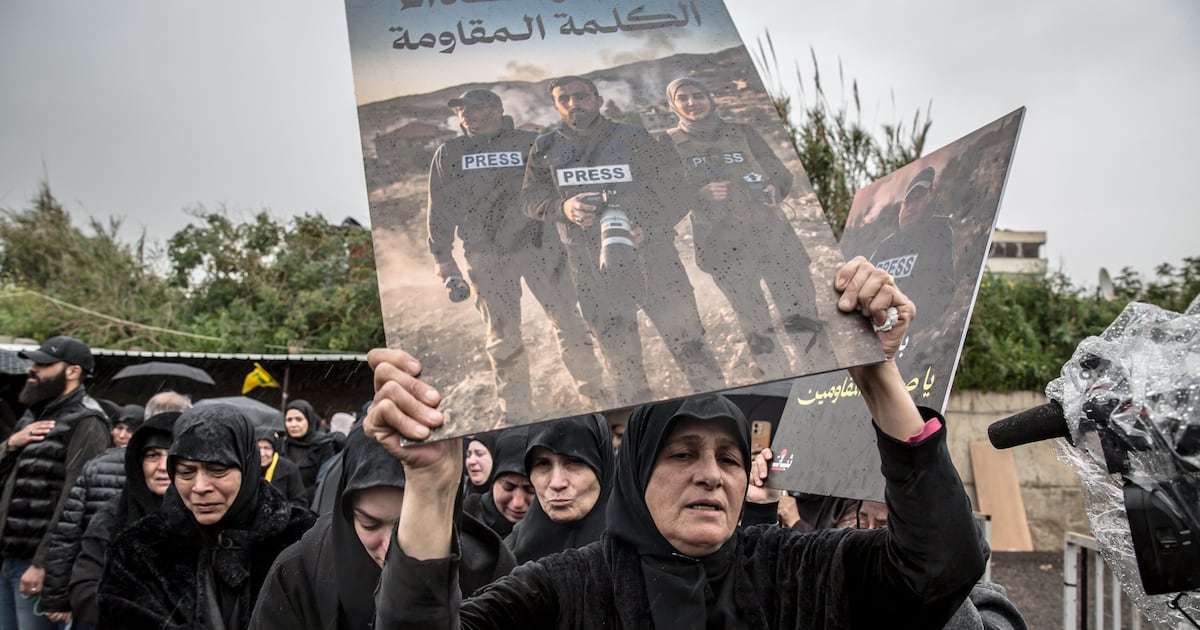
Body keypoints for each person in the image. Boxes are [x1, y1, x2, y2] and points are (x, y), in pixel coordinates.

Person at [364, 256, 987, 628]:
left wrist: (874, 372)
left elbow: (940, 567)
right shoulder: (560, 592)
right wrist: (430, 482)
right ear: (632, 473)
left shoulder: (794, 572)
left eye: (730, 457)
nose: (712, 475)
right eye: (682, 453)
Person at [520, 75, 727, 402]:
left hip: (653, 259)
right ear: (557, 106)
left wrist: (648, 226)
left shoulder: (634, 137)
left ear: (598, 100)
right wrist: (563, 206)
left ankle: (719, 409)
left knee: (690, 345)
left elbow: (676, 190)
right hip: (590, 268)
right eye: (565, 99)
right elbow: (530, 198)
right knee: (622, 363)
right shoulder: (546, 147)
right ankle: (642, 429)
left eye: (581, 96)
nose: (574, 103)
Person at [428, 88, 609, 417]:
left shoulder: (530, 142)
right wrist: (442, 257)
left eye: (475, 108)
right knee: (502, 334)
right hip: (485, 254)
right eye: (461, 110)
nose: (466, 115)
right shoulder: (450, 152)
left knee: (568, 321)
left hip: (542, 246)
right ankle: (516, 413)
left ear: (496, 110)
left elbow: (559, 189)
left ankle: (594, 398)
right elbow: (439, 208)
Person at [249, 426, 514, 629]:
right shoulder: (299, 573)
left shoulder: (492, 572)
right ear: (346, 512)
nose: (390, 547)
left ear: (449, 506)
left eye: (409, 524)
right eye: (369, 523)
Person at [96, 405, 316, 630]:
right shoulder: (138, 549)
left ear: (248, 467)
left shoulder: (304, 540)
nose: (200, 487)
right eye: (186, 472)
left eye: (218, 470)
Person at [663, 77, 829, 374]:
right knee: (755, 323)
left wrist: (774, 190)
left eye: (698, 95)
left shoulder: (743, 133)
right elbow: (666, 194)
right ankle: (779, 380)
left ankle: (823, 376)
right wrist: (698, 196)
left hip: (773, 238)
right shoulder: (668, 144)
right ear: (673, 104)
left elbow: (780, 173)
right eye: (683, 98)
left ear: (711, 98)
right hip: (723, 247)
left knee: (801, 314)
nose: (692, 102)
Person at [1, 336, 110, 630]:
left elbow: (77, 501)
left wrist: (43, 564)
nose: (33, 369)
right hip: (8, 558)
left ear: (72, 371)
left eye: (43, 363)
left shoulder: (87, 422)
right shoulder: (31, 419)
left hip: (38, 568)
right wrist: (10, 445)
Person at [65, 411, 182, 630]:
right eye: (153, 455)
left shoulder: (203, 515)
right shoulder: (112, 515)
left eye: (171, 455)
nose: (161, 467)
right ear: (138, 462)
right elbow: (85, 587)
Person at [503, 414, 613, 564]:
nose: (556, 483)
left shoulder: (636, 551)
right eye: (543, 463)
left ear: (602, 467)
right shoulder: (510, 551)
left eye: (573, 461)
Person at [463, 428, 533, 538]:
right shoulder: (469, 514)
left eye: (530, 490)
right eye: (508, 487)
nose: (517, 503)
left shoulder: (558, 527)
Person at [278, 399, 342, 502]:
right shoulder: (280, 445)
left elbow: (324, 481)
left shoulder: (323, 445)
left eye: (299, 419)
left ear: (309, 419)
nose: (293, 424)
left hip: (312, 504)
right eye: (289, 420)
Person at [257, 427, 307, 505]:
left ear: (274, 450)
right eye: (258, 448)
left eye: (267, 448)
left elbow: (300, 502)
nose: (262, 453)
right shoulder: (247, 468)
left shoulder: (289, 468)